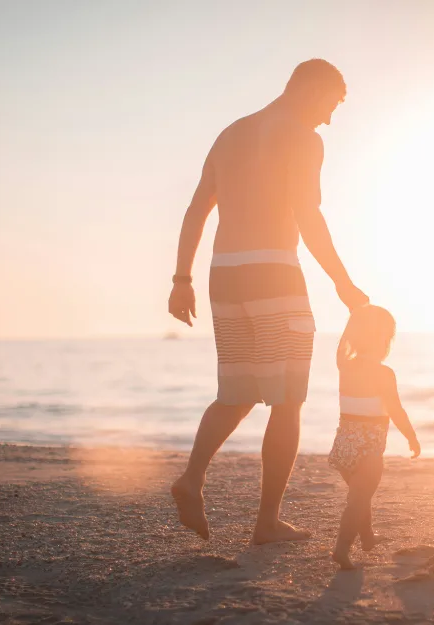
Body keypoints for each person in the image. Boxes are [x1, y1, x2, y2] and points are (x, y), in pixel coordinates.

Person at [167, 59, 369, 545]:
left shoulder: (231, 133)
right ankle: (266, 523)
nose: (328, 119)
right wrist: (343, 283)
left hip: (225, 275)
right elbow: (309, 217)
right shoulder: (303, 137)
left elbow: (197, 209)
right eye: (331, 104)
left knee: (236, 393)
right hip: (275, 272)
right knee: (287, 399)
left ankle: (191, 478)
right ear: (312, 88)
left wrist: (181, 278)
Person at [328, 305, 420, 569]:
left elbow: (341, 345)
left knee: (360, 494)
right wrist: (411, 437)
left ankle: (367, 537)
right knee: (358, 499)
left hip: (344, 445)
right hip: (368, 447)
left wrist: (354, 317)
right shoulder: (384, 373)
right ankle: (342, 549)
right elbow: (396, 410)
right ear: (384, 342)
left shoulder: (345, 366)